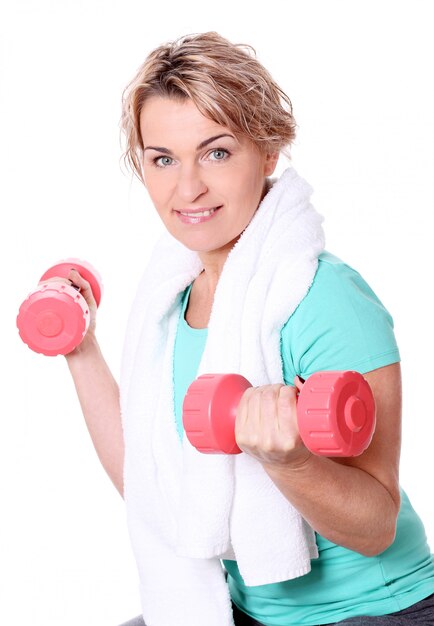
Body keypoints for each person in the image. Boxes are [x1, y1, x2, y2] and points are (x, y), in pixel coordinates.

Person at [64, 32, 434, 626]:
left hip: (373, 608)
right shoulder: (171, 302)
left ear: (267, 151)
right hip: (240, 605)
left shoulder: (321, 298)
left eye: (216, 153)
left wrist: (290, 462)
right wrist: (81, 351)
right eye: (163, 159)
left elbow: (374, 525)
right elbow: (149, 482)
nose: (187, 189)